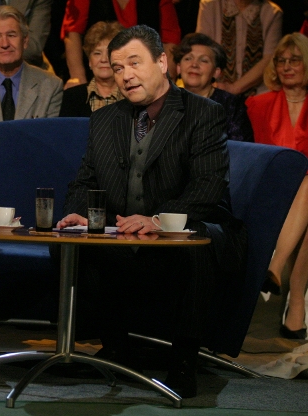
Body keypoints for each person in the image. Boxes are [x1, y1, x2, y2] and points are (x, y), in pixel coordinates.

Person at [57, 25, 247, 398]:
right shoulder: (105, 119)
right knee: (69, 243)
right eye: (117, 68)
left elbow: (208, 186)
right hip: (123, 233)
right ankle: (116, 348)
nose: (125, 75)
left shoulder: (203, 113)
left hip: (187, 228)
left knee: (196, 241)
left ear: (161, 62)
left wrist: (157, 220)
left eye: (134, 63)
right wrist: (79, 215)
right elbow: (84, 181)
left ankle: (184, 361)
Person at [246, 32, 308, 339]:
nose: (286, 66)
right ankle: (296, 307)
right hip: (273, 191)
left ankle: (276, 268)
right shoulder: (257, 105)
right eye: (281, 60)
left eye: (294, 60)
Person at [61, 0, 181, 88]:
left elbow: (171, 39)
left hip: (145, 76)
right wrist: (78, 78)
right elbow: (72, 33)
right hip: (96, 76)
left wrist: (164, 80)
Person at [173, 32, 254, 142]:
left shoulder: (231, 105)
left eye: (204, 60)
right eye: (188, 59)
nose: (194, 65)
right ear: (178, 68)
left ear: (216, 72)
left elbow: (241, 148)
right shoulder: (164, 103)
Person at [196, 0, 283, 96]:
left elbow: (269, 58)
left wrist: (234, 88)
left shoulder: (271, 12)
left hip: (258, 94)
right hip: (216, 90)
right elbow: (201, 52)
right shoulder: (210, 5)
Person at [59, 21, 124, 117]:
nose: (103, 59)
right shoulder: (71, 97)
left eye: (109, 53)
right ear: (90, 61)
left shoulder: (133, 96)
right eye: (97, 53)